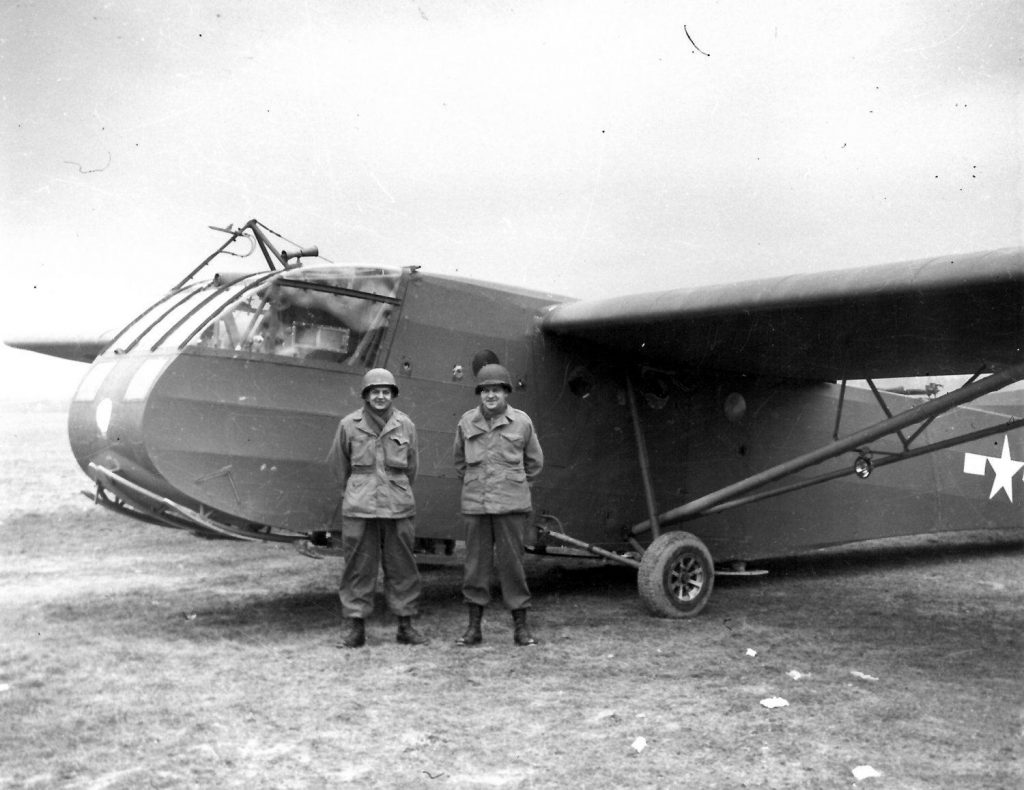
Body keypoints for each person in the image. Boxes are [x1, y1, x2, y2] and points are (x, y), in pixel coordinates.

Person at [327, 368, 427, 648]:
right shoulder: (349, 424)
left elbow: (412, 467)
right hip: (360, 507)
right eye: (375, 392)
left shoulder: (405, 425)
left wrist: (396, 488)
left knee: (403, 566)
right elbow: (339, 466)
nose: (380, 397)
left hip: (398, 506)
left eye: (385, 392)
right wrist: (356, 491)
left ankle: (405, 627)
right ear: (366, 395)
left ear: (392, 395)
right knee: (358, 567)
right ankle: (356, 628)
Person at [453, 363, 544, 646]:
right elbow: (459, 463)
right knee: (475, 567)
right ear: (479, 394)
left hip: (510, 506)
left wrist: (512, 485)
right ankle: (473, 629)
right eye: (486, 391)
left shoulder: (522, 422)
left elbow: (534, 463)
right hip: (476, 506)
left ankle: (521, 628)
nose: (491, 395)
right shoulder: (466, 422)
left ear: (506, 393)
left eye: (497, 390)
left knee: (512, 566)